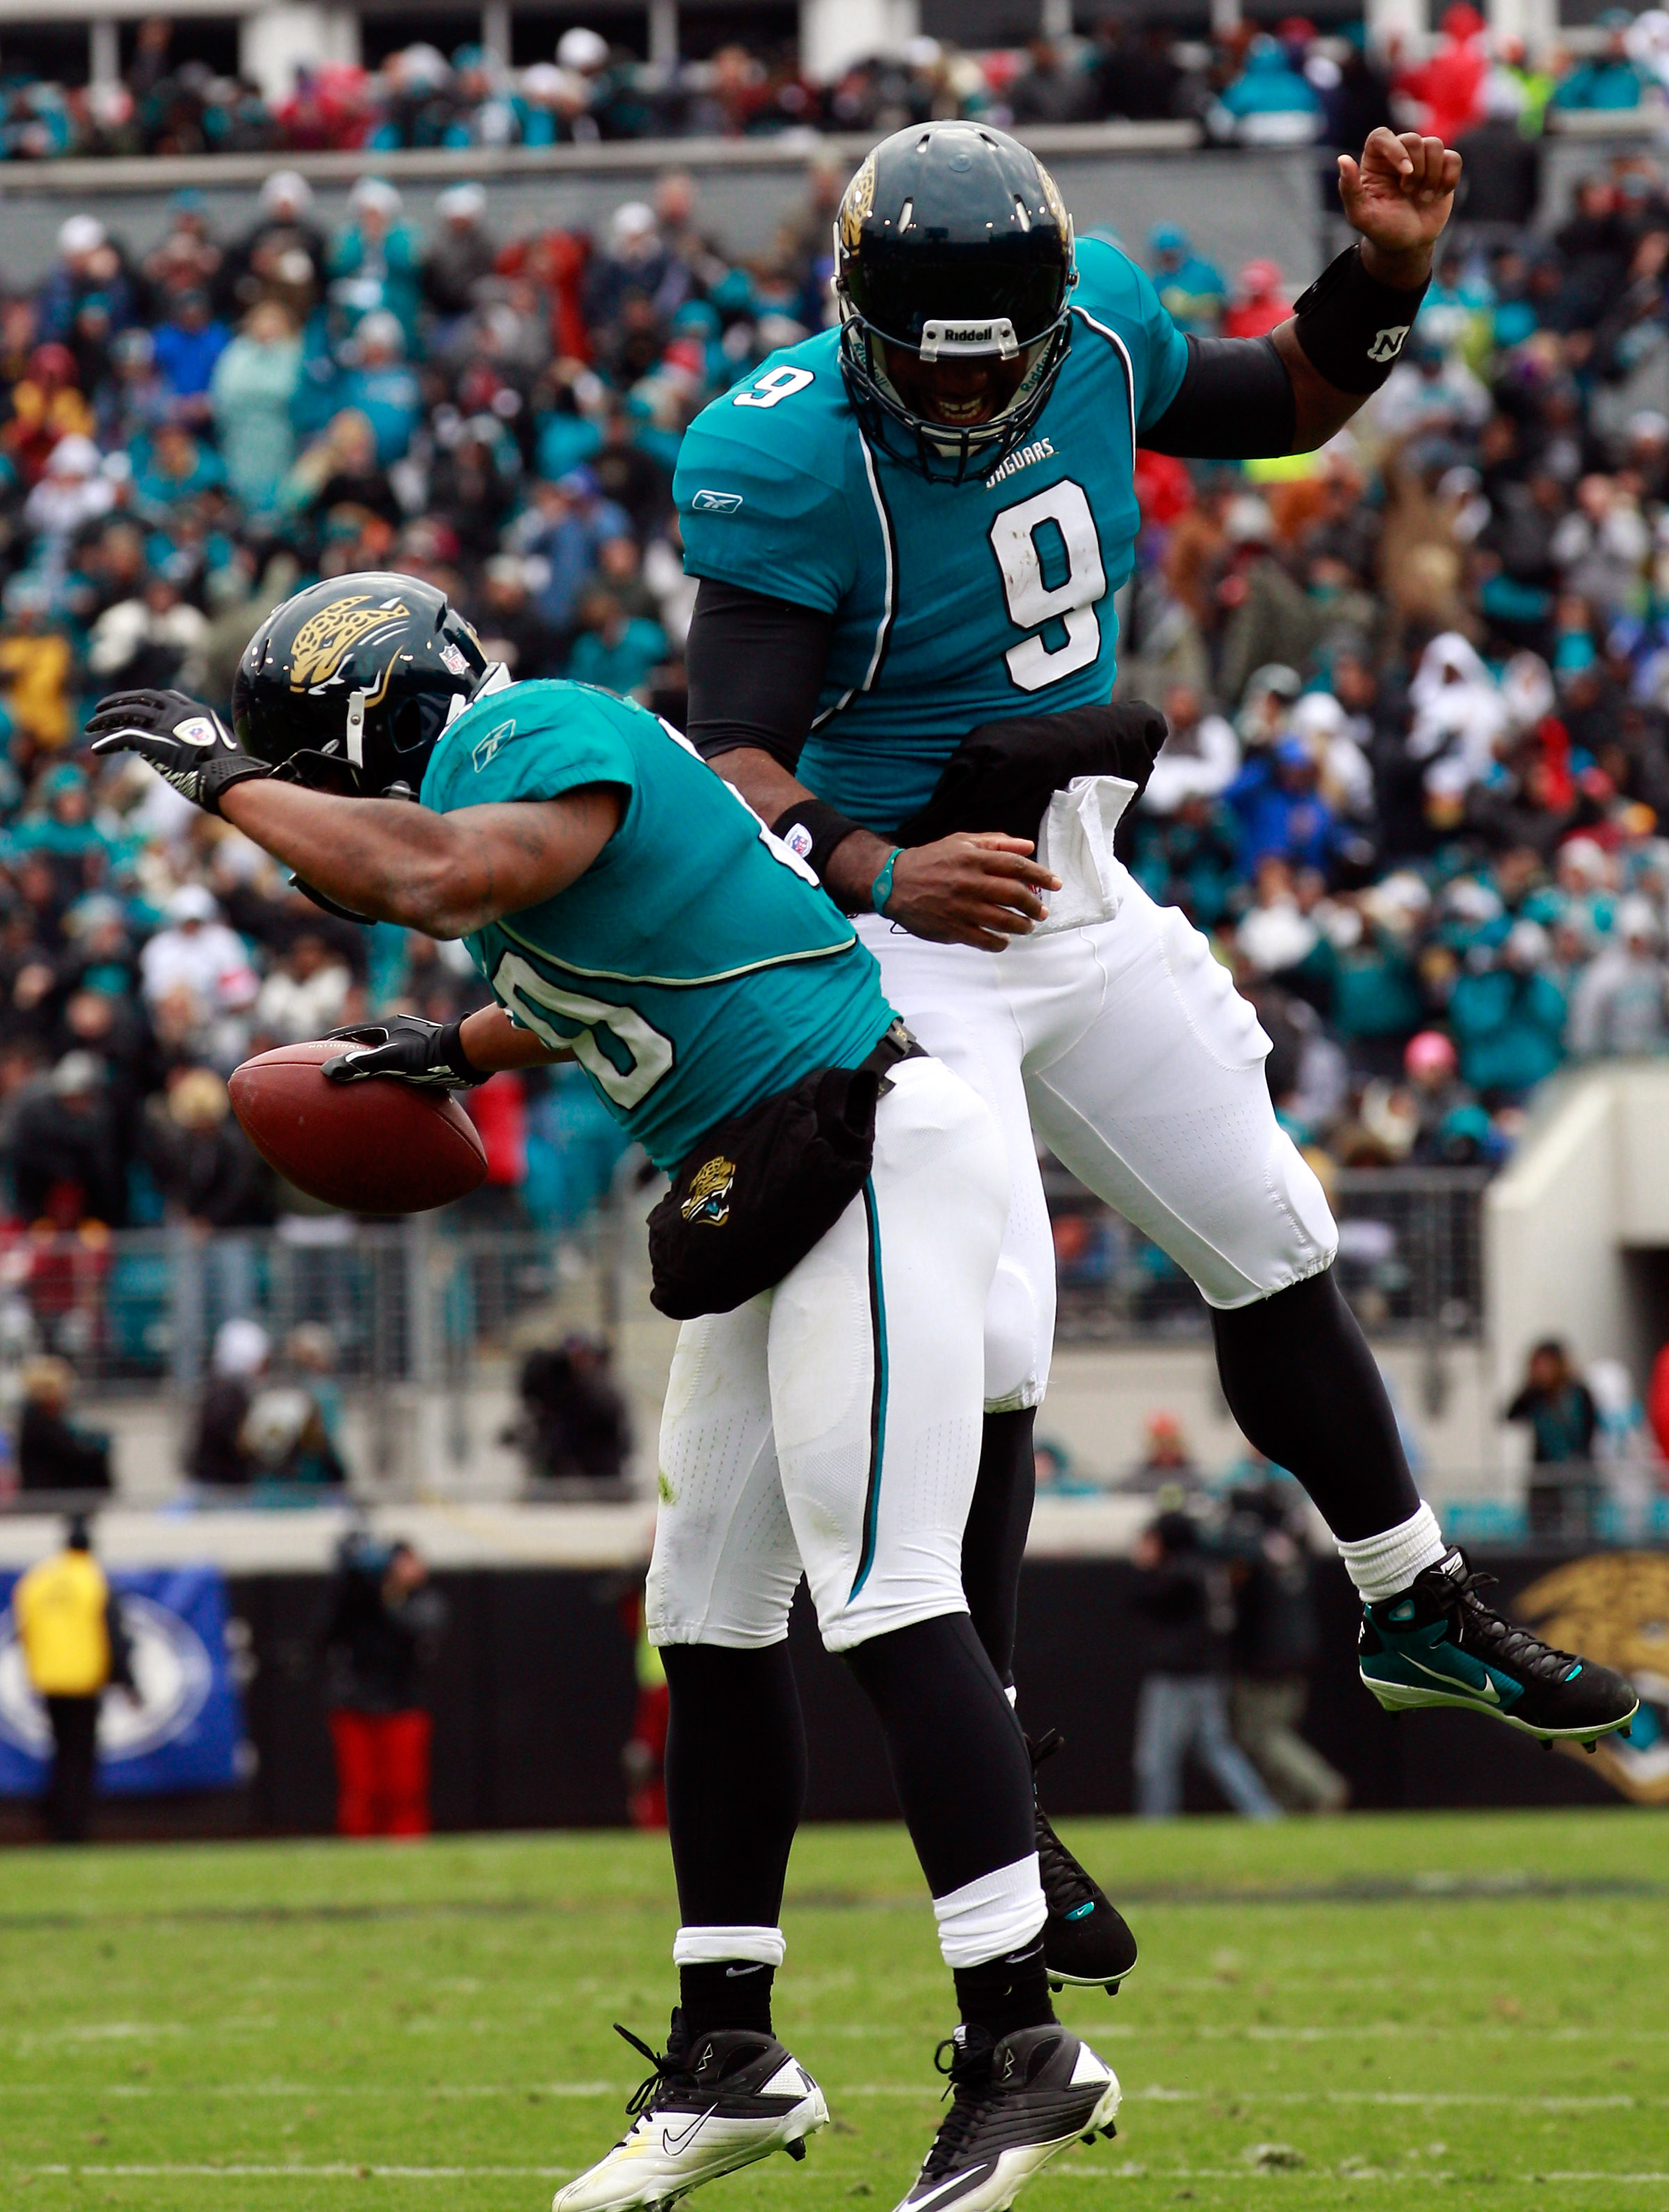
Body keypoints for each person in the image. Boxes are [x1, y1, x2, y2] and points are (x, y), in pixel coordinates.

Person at [668, 109, 1635, 1972]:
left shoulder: (1101, 320)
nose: (967, 391)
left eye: (995, 351)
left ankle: (1411, 1593)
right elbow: (733, 769)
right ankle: (1008, 1801)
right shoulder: (785, 452)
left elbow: (1280, 395)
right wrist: (879, 860)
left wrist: (1389, 275)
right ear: (861, 316)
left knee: (1269, 1221)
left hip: (1079, 888)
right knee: (1005, 1345)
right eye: (932, 352)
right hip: (897, 928)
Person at [88, 572, 1123, 2212]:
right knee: (705, 1619)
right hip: (768, 1176)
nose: (322, 801)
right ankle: (729, 2052)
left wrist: (223, 780)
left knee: (888, 1596)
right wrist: (459, 1051)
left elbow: (432, 871)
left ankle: (1021, 2050)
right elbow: (612, 963)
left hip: (856, 1141)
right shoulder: (539, 794)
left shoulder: (531, 730)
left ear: (368, 731)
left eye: (318, 765)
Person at [1128, 1509, 1281, 1821]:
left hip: (1177, 1677)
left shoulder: (1179, 1573)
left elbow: (1140, 1598)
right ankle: (1265, 1814)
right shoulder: (1209, 1569)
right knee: (1218, 1750)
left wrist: (1143, 1565)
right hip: (1208, 1675)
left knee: (1156, 1758)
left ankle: (1154, 1824)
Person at [1223, 1478, 1350, 1813]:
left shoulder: (1255, 1546)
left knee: (1264, 1737)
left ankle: (1322, 1786)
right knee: (1273, 1732)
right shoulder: (1294, 1543)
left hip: (1266, 1656)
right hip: (1297, 1650)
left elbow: (1237, 1566)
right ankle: (1288, 1805)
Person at [12, 1514, 134, 1842]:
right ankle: (73, 1826)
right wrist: (127, 1681)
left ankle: (55, 1822)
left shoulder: (37, 1580)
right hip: (84, 1681)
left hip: (49, 1680)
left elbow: (24, 1630)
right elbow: (113, 1635)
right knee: (80, 1757)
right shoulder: (92, 1579)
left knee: (61, 1752)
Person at [316, 1534, 448, 1834]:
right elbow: (324, 1631)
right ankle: (358, 1857)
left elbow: (415, 1627)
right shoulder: (357, 1601)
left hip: (403, 1704)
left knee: (404, 1791)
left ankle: (408, 1852)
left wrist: (387, 1594)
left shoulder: (424, 1601)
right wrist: (348, 1579)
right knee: (360, 1792)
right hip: (357, 1703)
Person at [1507, 1339, 1601, 1540]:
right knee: (1543, 1533)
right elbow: (1510, 1414)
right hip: (1546, 1481)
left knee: (1583, 1527)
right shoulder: (1535, 1397)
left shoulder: (1578, 1393)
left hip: (1577, 1476)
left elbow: (1592, 1428)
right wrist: (1532, 1387)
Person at [15, 1357, 112, 1497]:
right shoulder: (39, 1424)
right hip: (50, 1498)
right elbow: (68, 1455)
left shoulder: (52, 1420)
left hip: (57, 1495)